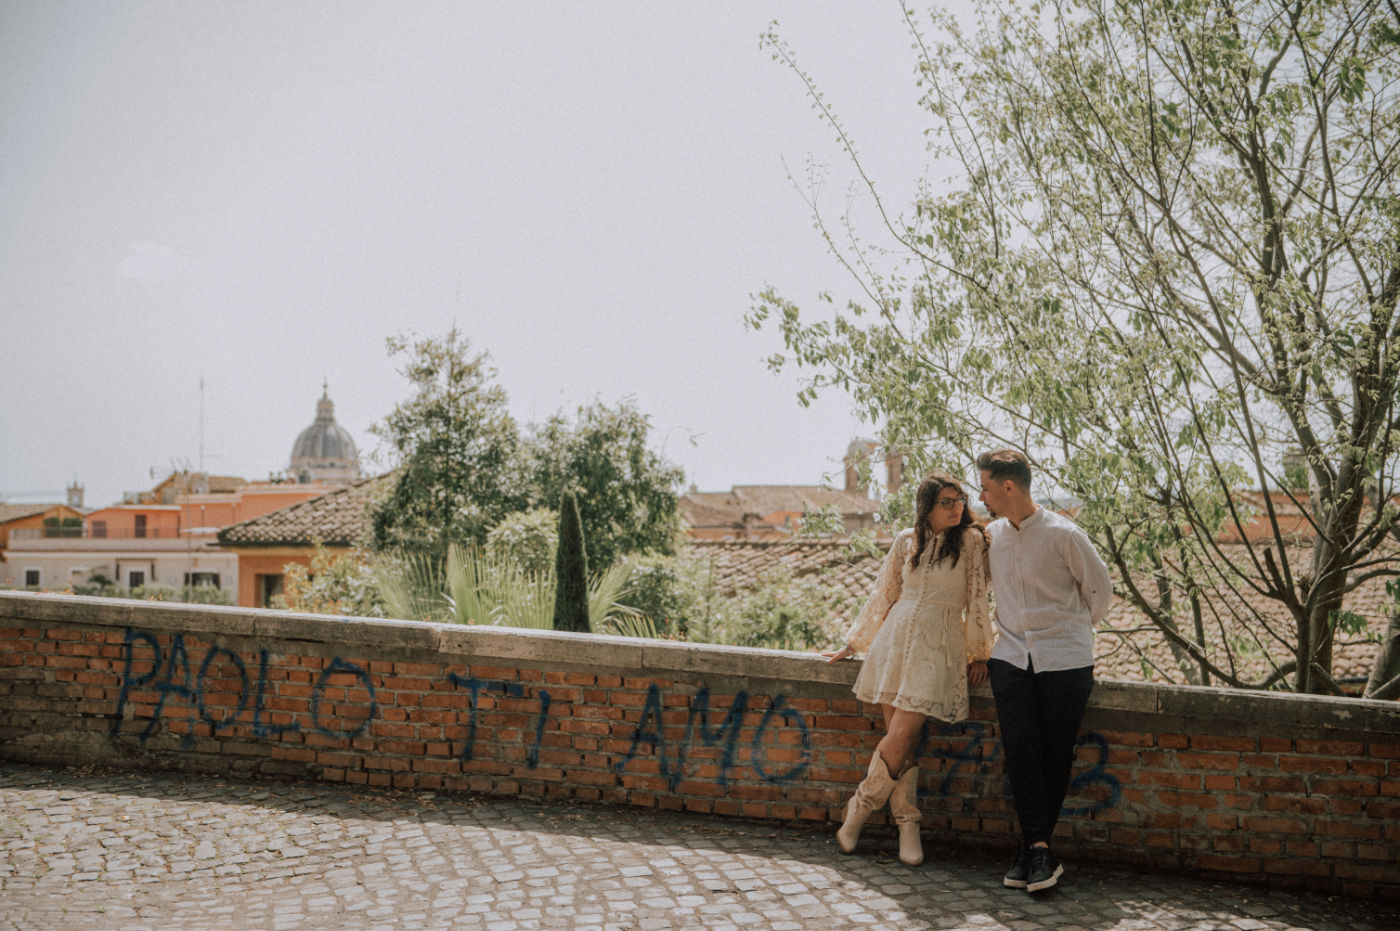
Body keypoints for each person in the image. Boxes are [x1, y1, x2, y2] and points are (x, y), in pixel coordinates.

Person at [823, 471, 994, 866]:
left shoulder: (971, 542)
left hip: (938, 648)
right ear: (927, 508)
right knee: (902, 743)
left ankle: (859, 809)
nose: (956, 508)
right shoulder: (906, 541)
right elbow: (884, 595)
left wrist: (980, 653)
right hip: (894, 644)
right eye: (946, 503)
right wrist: (854, 642)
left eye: (960, 500)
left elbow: (977, 600)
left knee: (900, 734)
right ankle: (907, 825)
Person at [976, 449, 1112, 893]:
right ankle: (1038, 847)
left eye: (987, 488)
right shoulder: (993, 535)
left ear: (1009, 487)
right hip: (1011, 659)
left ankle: (1033, 849)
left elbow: (1101, 592)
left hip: (1065, 662)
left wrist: (1069, 631)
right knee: (1021, 755)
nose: (982, 496)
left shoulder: (1064, 534)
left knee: (1055, 754)